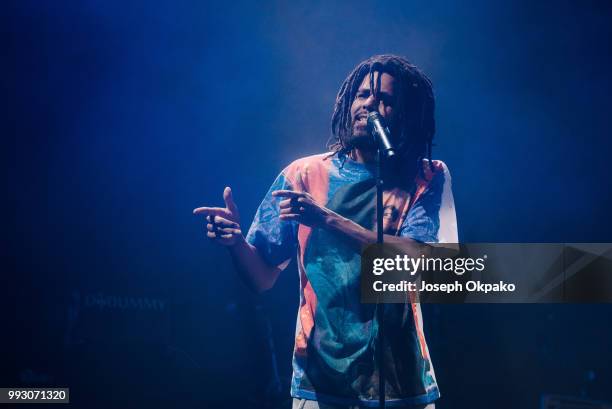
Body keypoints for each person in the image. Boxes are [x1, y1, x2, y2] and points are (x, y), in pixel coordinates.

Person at [194, 54, 457, 409]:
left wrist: (329, 220)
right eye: (363, 95)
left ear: (406, 113)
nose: (369, 105)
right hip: (319, 385)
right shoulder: (303, 176)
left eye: (385, 100)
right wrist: (235, 242)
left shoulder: (427, 176)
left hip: (401, 383)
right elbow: (261, 277)